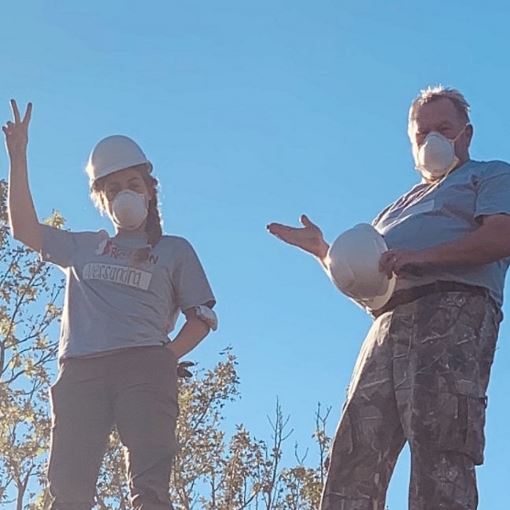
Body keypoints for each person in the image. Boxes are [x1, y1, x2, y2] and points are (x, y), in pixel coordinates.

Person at [267, 85, 510, 509]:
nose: (432, 139)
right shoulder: (394, 209)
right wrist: (324, 252)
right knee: (355, 453)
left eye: (444, 128)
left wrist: (422, 258)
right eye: (422, 133)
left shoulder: (489, 176)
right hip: (386, 324)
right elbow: (371, 284)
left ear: (465, 134)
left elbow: (500, 237)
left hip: (453, 311)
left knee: (441, 448)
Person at [3, 100, 217, 510]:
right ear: (102, 199)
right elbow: (25, 230)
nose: (125, 195)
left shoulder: (174, 251)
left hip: (144, 367)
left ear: (150, 191)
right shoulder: (83, 246)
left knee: (150, 490)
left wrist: (165, 357)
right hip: (82, 369)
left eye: (134, 185)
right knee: (68, 490)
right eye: (114, 188)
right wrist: (18, 156)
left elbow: (202, 317)